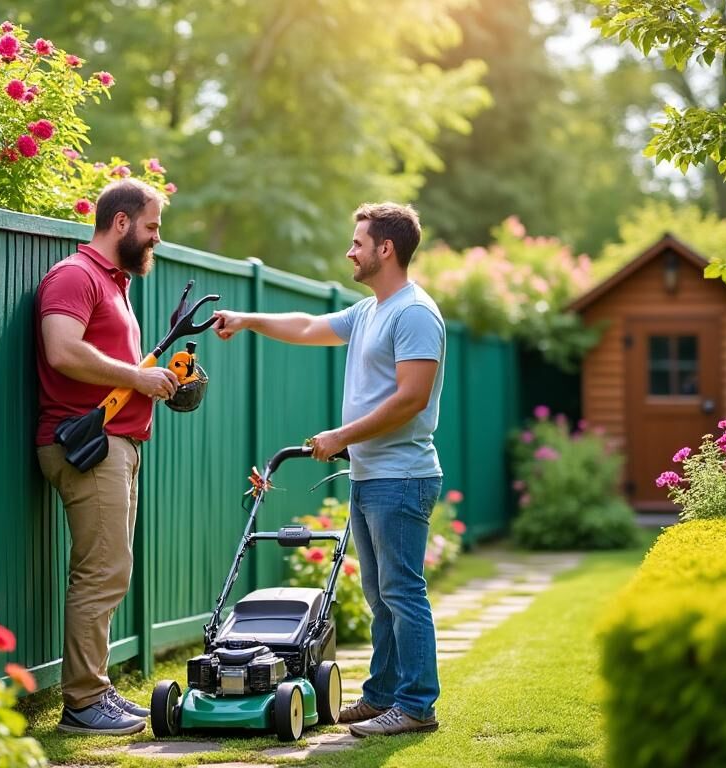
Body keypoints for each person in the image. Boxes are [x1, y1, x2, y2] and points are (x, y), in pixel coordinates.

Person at [212, 202, 445, 737]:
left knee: (403, 592)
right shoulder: (370, 311)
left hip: (402, 475)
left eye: (358, 242)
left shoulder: (414, 313)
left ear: (385, 249)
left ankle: (415, 706)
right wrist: (248, 320)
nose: (350, 250)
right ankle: (383, 694)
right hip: (371, 474)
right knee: (379, 595)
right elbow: (309, 325)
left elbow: (412, 398)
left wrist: (341, 436)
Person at [35, 179, 178, 735]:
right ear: (121, 223)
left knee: (109, 570)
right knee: (102, 572)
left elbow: (106, 361)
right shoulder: (75, 276)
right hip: (88, 447)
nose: (155, 238)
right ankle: (83, 702)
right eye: (151, 226)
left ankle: (94, 689)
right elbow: (63, 350)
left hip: (116, 445)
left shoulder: (112, 283)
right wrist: (136, 376)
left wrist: (156, 383)